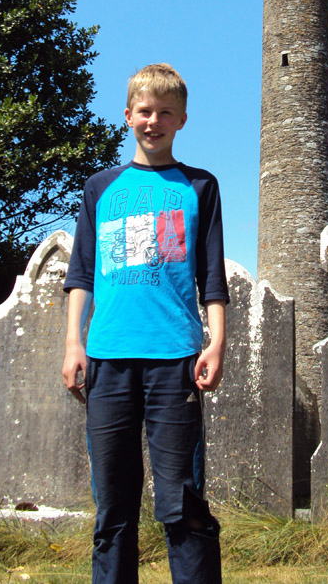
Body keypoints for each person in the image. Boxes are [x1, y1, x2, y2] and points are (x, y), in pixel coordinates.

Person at [62, 63, 228, 584]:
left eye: (164, 113)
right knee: (112, 505)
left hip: (174, 360)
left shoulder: (200, 186)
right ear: (128, 115)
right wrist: (74, 345)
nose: (152, 121)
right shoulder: (100, 188)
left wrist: (216, 341)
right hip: (108, 359)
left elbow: (212, 277)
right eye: (144, 111)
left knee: (183, 503)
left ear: (181, 120)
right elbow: (82, 274)